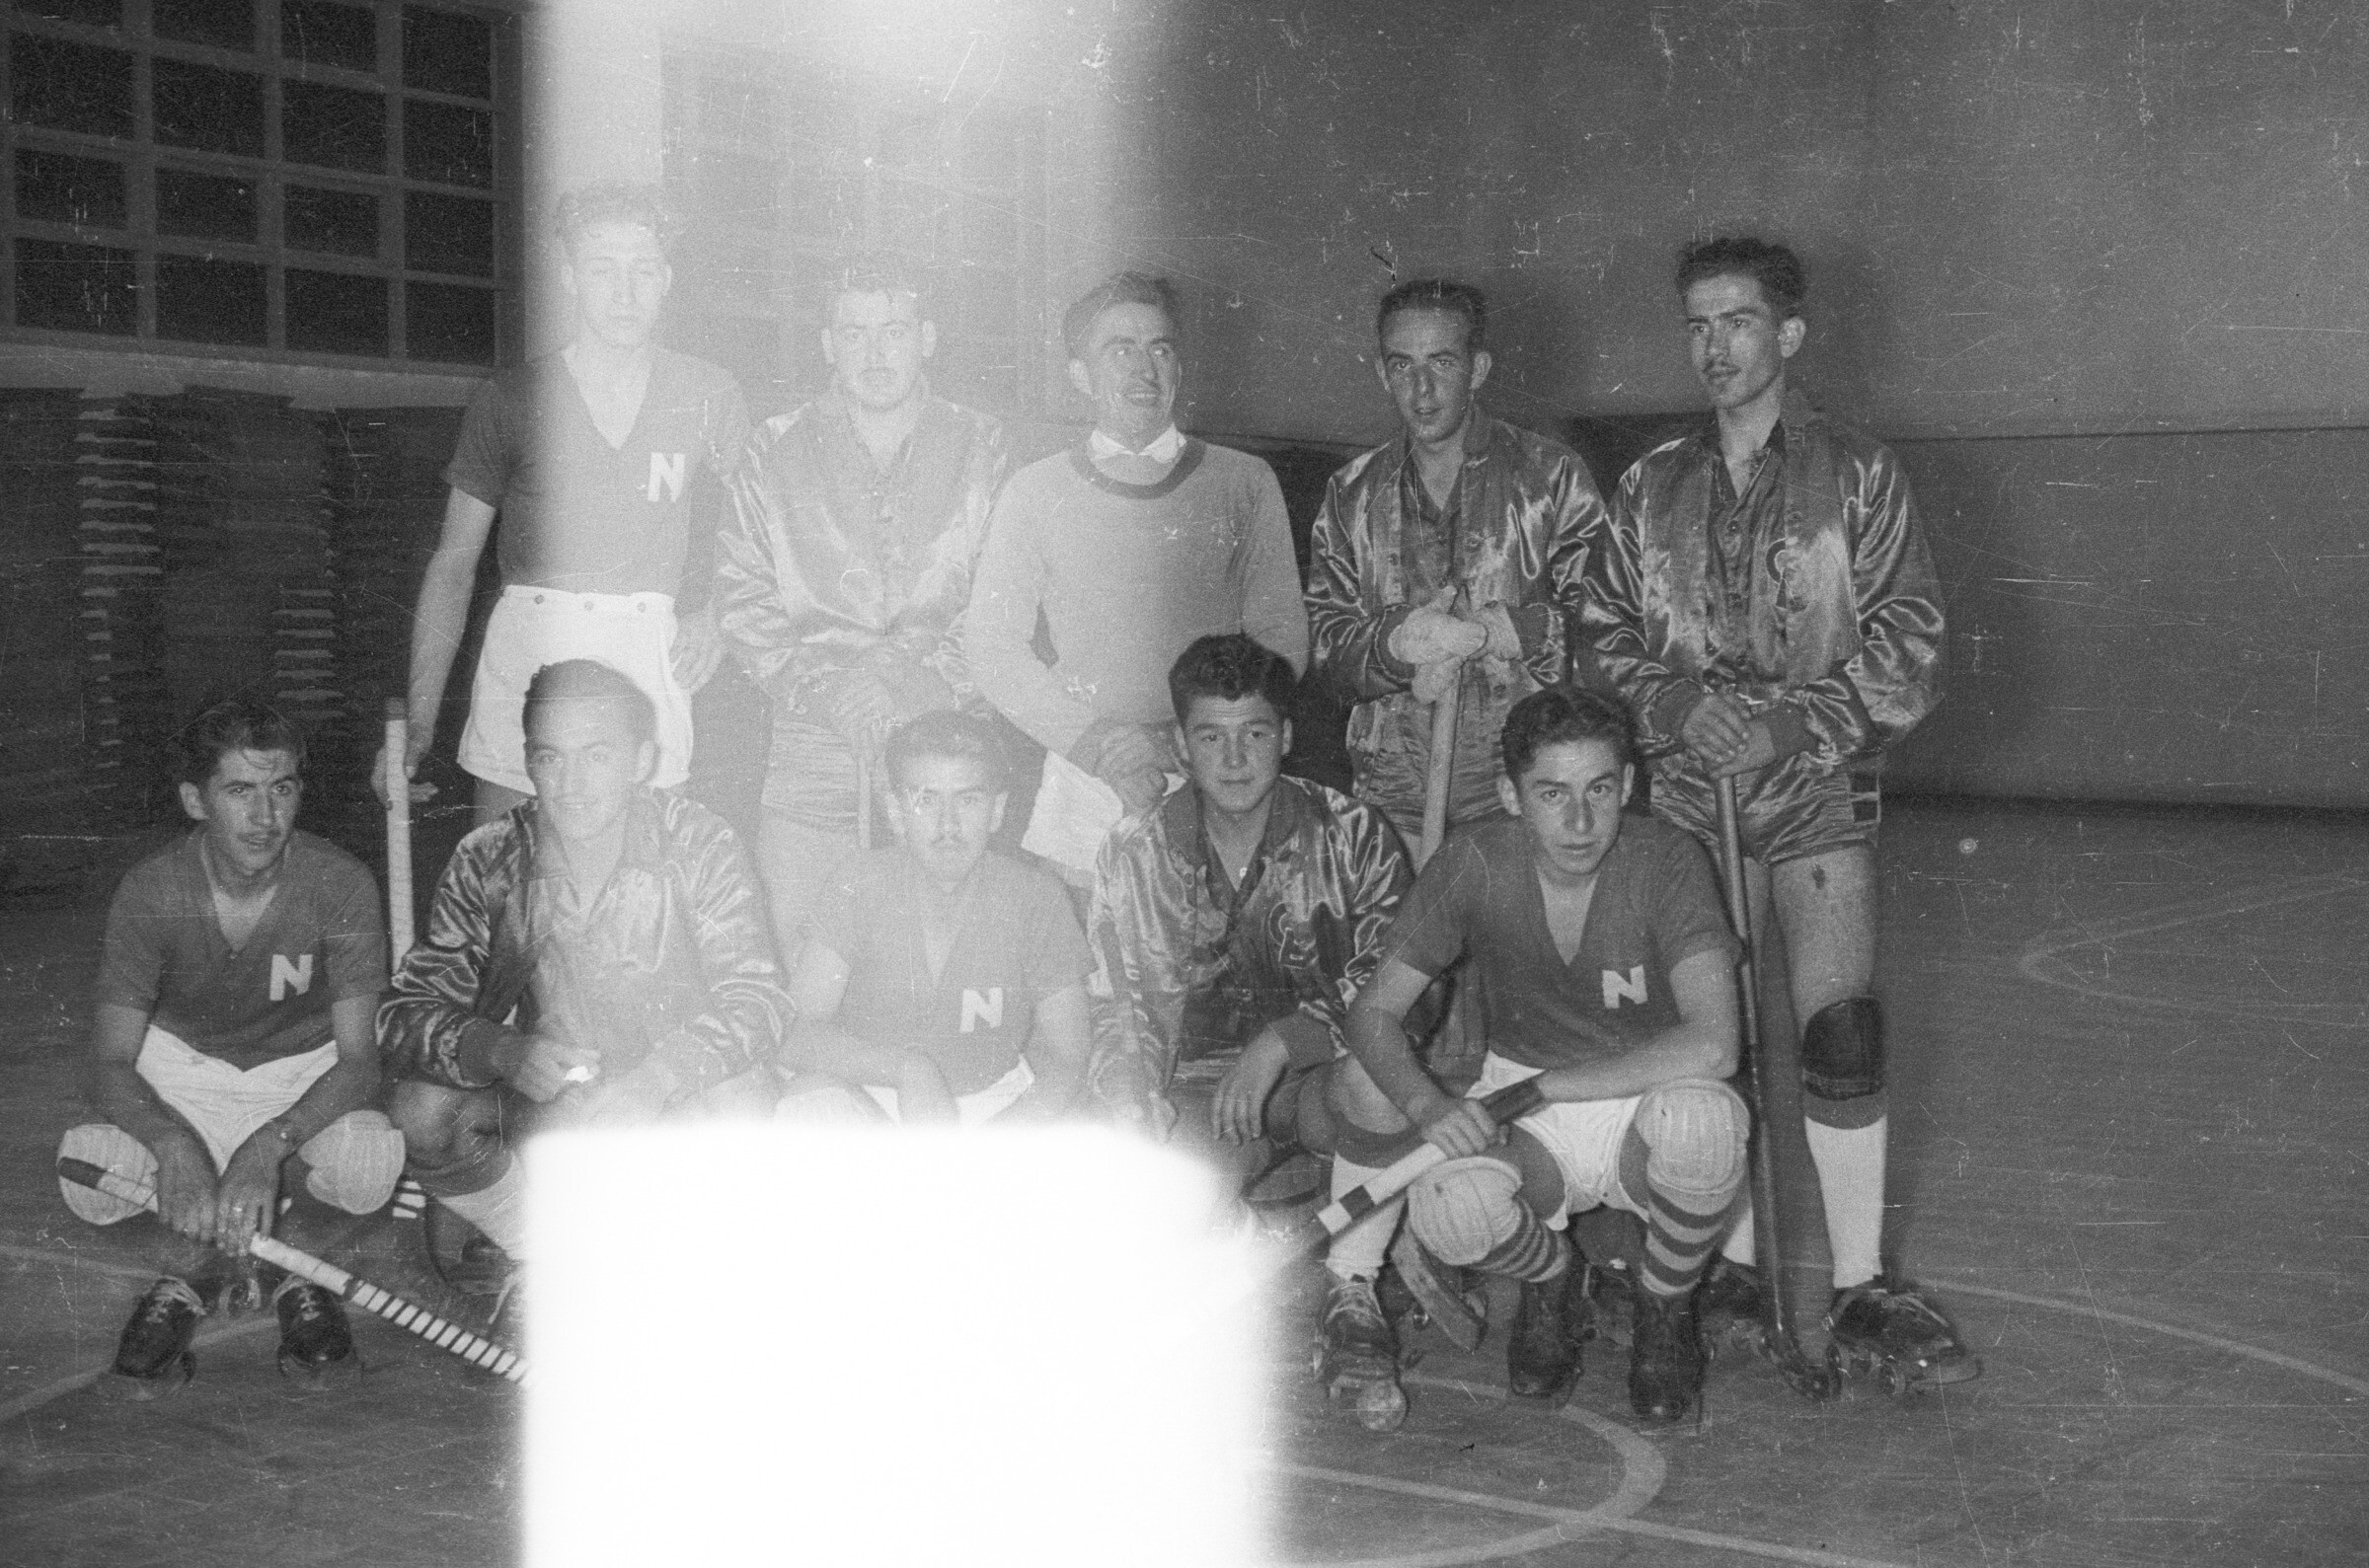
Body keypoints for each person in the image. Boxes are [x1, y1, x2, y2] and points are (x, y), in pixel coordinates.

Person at [1580, 235, 1971, 1386]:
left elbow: (1911, 641)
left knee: (1840, 1029)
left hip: (1814, 790)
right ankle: (1734, 1269)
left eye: (1739, 321)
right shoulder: (1650, 484)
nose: (1715, 347)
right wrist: (1676, 702)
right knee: (1717, 1040)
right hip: (1687, 794)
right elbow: (1600, 634)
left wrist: (1793, 724)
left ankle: (1859, 1284)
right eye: (1698, 326)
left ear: (1789, 334)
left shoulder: (1859, 473)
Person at [1335, 686, 1748, 1424]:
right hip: (1527, 1104)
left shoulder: (1668, 858)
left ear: (1628, 784)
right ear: (1511, 795)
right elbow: (1373, 1013)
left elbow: (1715, 1043)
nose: (1581, 821)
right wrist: (1428, 1106)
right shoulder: (1474, 861)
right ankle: (1555, 1281)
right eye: (1553, 794)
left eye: (1599, 790)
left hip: (1643, 1094)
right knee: (1451, 1208)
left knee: (1705, 1125)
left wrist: (1555, 1083)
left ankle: (1664, 1304)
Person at [1086, 634, 1420, 1420]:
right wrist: (1133, 1092)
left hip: (1321, 1081)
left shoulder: (1353, 831)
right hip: (1199, 1094)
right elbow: (1116, 1002)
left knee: (1381, 1077)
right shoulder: (1133, 850)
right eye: (1212, 736)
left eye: (1255, 733)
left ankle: (1352, 1288)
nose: (1235, 758)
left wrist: (1284, 1041)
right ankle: (1255, 1252)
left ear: (1288, 735)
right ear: (1180, 745)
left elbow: (1400, 988)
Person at [380, 660, 787, 1283]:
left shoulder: (700, 844)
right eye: (551, 758)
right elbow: (404, 1015)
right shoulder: (489, 856)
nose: (570, 784)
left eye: (596, 756)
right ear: (529, 763)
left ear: (642, 761)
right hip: (541, 1096)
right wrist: (501, 1050)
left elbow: (759, 998)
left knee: (743, 1096)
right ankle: (538, 1245)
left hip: (669, 1098)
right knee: (421, 1109)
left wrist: (661, 1077)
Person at [377, 183, 750, 823]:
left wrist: (718, 615)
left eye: (643, 270)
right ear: (570, 277)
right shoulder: (511, 398)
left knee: (643, 869)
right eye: (603, 269)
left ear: (667, 280)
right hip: (532, 644)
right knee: (508, 866)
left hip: (645, 650)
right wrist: (420, 723)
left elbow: (768, 532)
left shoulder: (708, 393)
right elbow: (454, 564)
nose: (625, 293)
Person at [60, 699, 401, 1394]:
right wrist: (172, 1144)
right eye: (240, 790)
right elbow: (109, 1062)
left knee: (371, 1165)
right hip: (184, 1074)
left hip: (297, 1074)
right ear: (196, 800)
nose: (265, 815)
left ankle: (285, 1264)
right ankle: (195, 1271)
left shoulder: (340, 881)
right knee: (84, 1173)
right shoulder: (153, 888)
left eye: (282, 788)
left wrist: (269, 1146)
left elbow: (360, 1061)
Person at [716, 258, 1010, 957]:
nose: (875, 354)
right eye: (854, 333)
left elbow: (1002, 595)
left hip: (944, 734)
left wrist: (923, 685)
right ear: (827, 344)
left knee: (936, 959)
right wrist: (826, 693)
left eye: (895, 331)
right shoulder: (773, 448)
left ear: (928, 338)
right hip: (814, 734)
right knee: (801, 950)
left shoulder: (982, 444)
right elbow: (742, 592)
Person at [963, 271, 1309, 860]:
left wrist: (1183, 741)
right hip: (1088, 776)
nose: (1144, 370)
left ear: (1179, 368)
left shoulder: (1244, 481)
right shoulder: (1035, 490)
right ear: (1080, 375)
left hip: (1219, 767)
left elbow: (1283, 639)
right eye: (1119, 351)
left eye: (1160, 349)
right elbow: (991, 647)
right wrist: (1100, 747)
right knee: (1084, 919)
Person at [1306, 277, 1604, 847]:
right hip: (1394, 793)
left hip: (1523, 788)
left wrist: (1524, 630)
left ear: (1478, 368)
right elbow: (1324, 647)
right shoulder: (1351, 493)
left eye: (1442, 362)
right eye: (1402, 365)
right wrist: (1394, 645)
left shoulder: (1550, 475)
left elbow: (1606, 629)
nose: (1422, 389)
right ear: (1382, 373)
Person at [772, 711, 1092, 1126]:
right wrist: (908, 1070)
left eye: (968, 800)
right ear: (896, 811)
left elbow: (1069, 1057)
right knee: (807, 1107)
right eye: (926, 800)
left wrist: (998, 1143)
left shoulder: (1036, 897)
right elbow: (795, 1032)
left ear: (997, 810)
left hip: (997, 1105)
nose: (948, 825)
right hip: (876, 1093)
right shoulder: (859, 882)